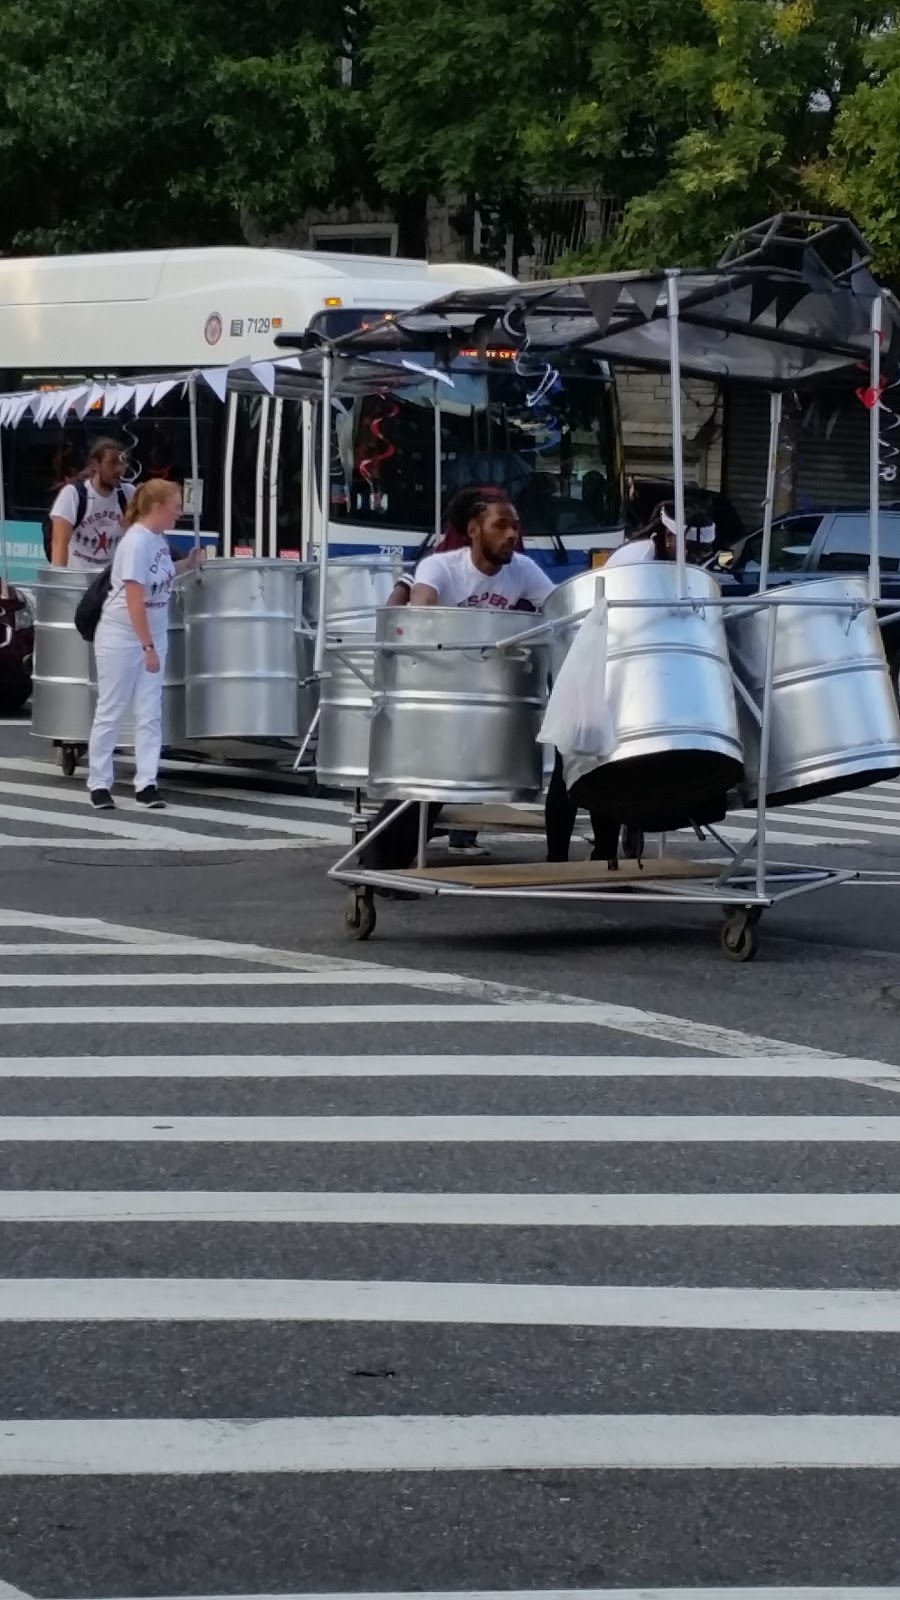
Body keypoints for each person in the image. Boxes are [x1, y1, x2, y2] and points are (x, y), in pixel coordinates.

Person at [360, 490, 612, 873]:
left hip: (489, 692)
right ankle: (377, 864)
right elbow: (422, 614)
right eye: (501, 525)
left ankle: (381, 866)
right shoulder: (440, 567)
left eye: (515, 526)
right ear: (473, 530)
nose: (512, 534)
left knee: (444, 782)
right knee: (429, 781)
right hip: (438, 685)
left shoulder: (523, 570)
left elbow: (561, 610)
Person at [86, 479, 204, 811]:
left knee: (150, 711)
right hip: (122, 635)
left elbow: (160, 578)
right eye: (175, 506)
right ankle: (99, 782)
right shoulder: (136, 542)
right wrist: (147, 647)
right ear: (157, 507)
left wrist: (186, 564)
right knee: (112, 709)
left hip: (152, 633)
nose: (179, 513)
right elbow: (135, 596)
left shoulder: (157, 540)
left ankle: (147, 782)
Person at [48, 439, 135, 570]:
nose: (119, 469)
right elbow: (59, 543)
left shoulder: (128, 494)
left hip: (109, 583)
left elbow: (136, 538)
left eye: (123, 463)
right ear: (95, 464)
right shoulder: (73, 494)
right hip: (78, 581)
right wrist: (61, 583)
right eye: (112, 462)